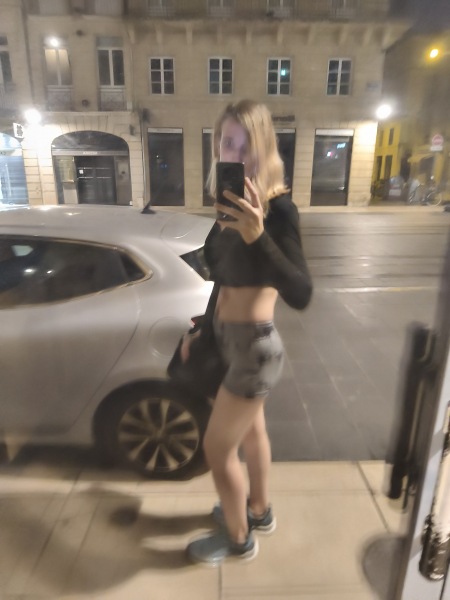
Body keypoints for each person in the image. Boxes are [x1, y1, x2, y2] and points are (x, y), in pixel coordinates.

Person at [184, 99, 313, 566]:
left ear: (263, 148)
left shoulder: (278, 212)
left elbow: (301, 293)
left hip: (255, 349)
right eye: (227, 143)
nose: (234, 154)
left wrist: (258, 234)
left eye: (244, 144)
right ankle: (258, 510)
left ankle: (239, 539)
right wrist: (202, 328)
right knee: (253, 434)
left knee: (217, 449)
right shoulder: (227, 207)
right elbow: (221, 280)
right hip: (226, 337)